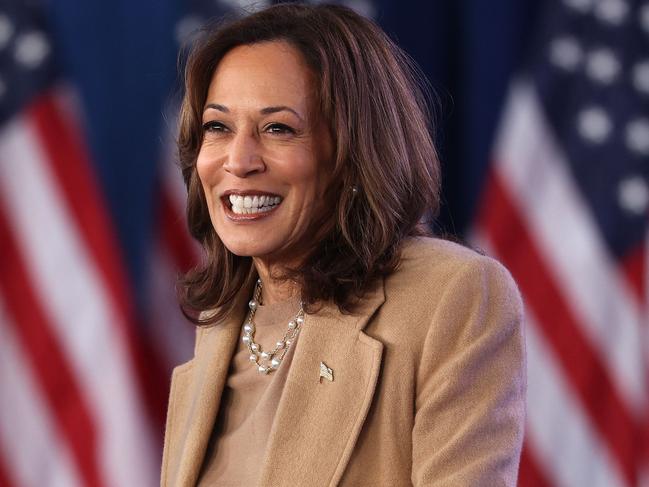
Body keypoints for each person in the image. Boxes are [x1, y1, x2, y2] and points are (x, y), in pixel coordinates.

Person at [161, 4, 525, 486]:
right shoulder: (224, 323)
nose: (239, 160)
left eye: (278, 129)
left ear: (353, 152)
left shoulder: (452, 296)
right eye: (218, 127)